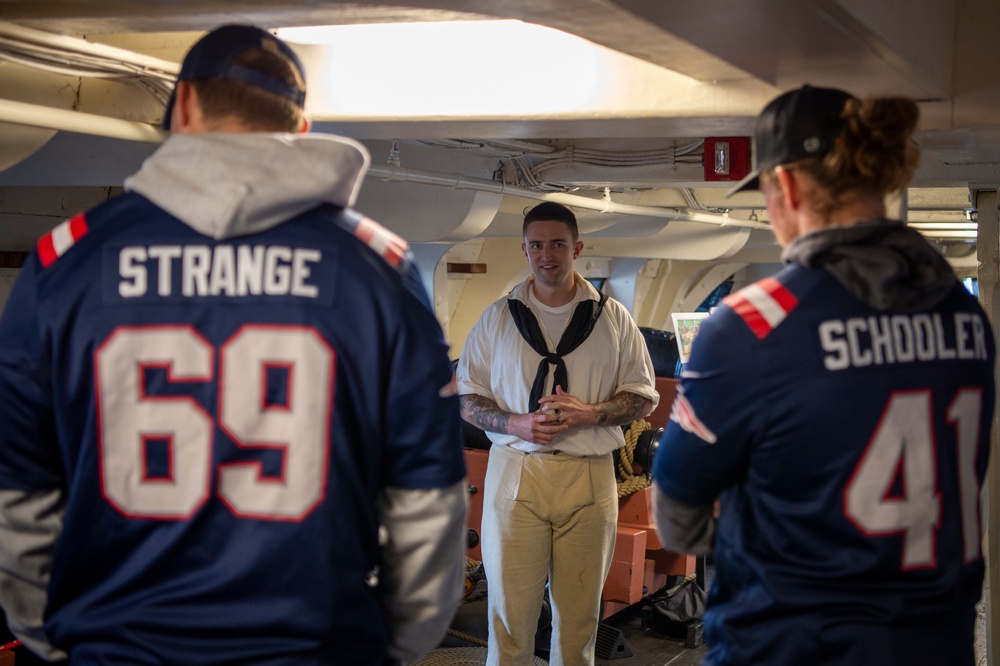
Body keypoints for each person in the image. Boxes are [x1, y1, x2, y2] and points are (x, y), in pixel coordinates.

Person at [0, 24, 468, 665]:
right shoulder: (378, 270)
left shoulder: (65, 262)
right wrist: (388, 646)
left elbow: (19, 489)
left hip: (118, 649)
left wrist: (54, 638)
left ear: (184, 105)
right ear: (299, 131)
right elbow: (427, 502)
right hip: (315, 649)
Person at [652, 85, 996, 665]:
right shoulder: (964, 316)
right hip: (936, 645)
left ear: (784, 185)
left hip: (793, 647)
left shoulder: (752, 327)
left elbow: (677, 521)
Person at [456, 201, 659, 665]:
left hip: (588, 475)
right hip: (517, 472)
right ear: (524, 250)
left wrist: (589, 413)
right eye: (537, 245)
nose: (547, 255)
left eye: (558, 245)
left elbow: (644, 397)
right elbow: (467, 398)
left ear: (577, 248)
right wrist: (515, 423)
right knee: (508, 617)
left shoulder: (614, 319)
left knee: (580, 619)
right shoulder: (496, 318)